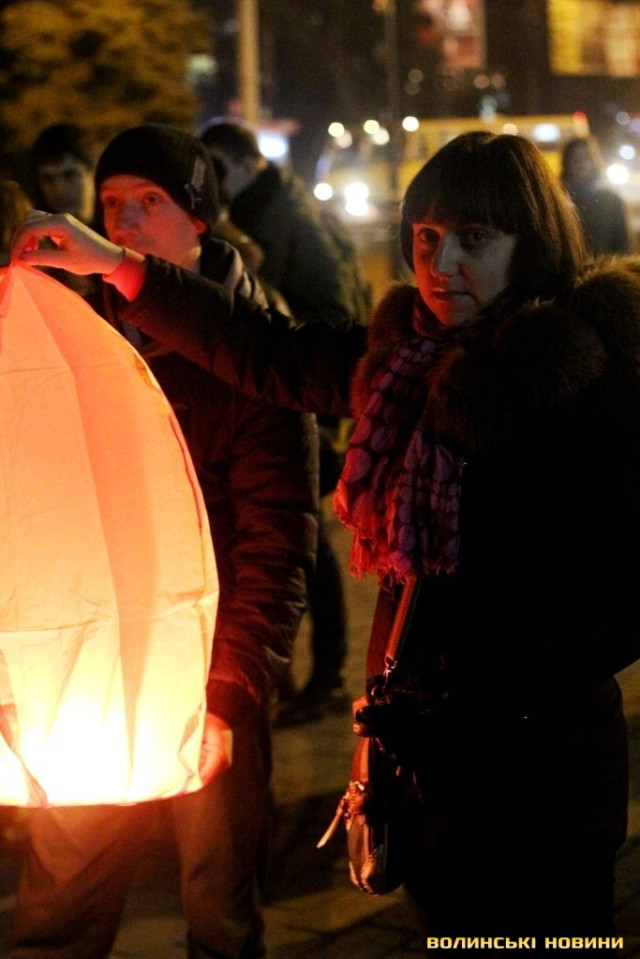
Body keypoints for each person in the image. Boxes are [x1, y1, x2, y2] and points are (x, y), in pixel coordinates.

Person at [13, 129, 640, 951]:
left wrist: (483, 681)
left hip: (541, 770)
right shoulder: (406, 360)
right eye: (426, 237)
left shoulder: (586, 378)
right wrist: (117, 265)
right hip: (424, 769)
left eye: (474, 239)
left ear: (532, 242)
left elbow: (619, 596)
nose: (441, 263)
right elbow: (263, 349)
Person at [8, 123, 319, 959]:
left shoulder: (253, 347)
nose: (127, 221)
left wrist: (231, 693)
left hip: (209, 674)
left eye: (150, 201)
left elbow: (280, 539)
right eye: (113, 203)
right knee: (61, 897)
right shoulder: (76, 340)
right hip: (90, 675)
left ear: (199, 219)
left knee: (218, 897)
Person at [199, 118, 371, 723]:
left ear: (246, 165)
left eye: (218, 169)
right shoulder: (260, 210)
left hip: (300, 398)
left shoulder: (288, 218)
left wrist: (269, 324)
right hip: (279, 390)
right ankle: (302, 673)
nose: (212, 183)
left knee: (306, 539)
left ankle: (328, 674)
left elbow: (334, 311)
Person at [560, 134, 634, 255]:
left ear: (594, 160)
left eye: (585, 157)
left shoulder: (611, 201)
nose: (580, 162)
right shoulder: (557, 200)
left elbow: (623, 243)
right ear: (566, 162)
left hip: (604, 265)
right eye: (574, 157)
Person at [29, 122, 98, 225]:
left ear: (94, 173)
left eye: (70, 175)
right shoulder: (36, 230)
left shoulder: (118, 225)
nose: (59, 190)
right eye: (48, 179)